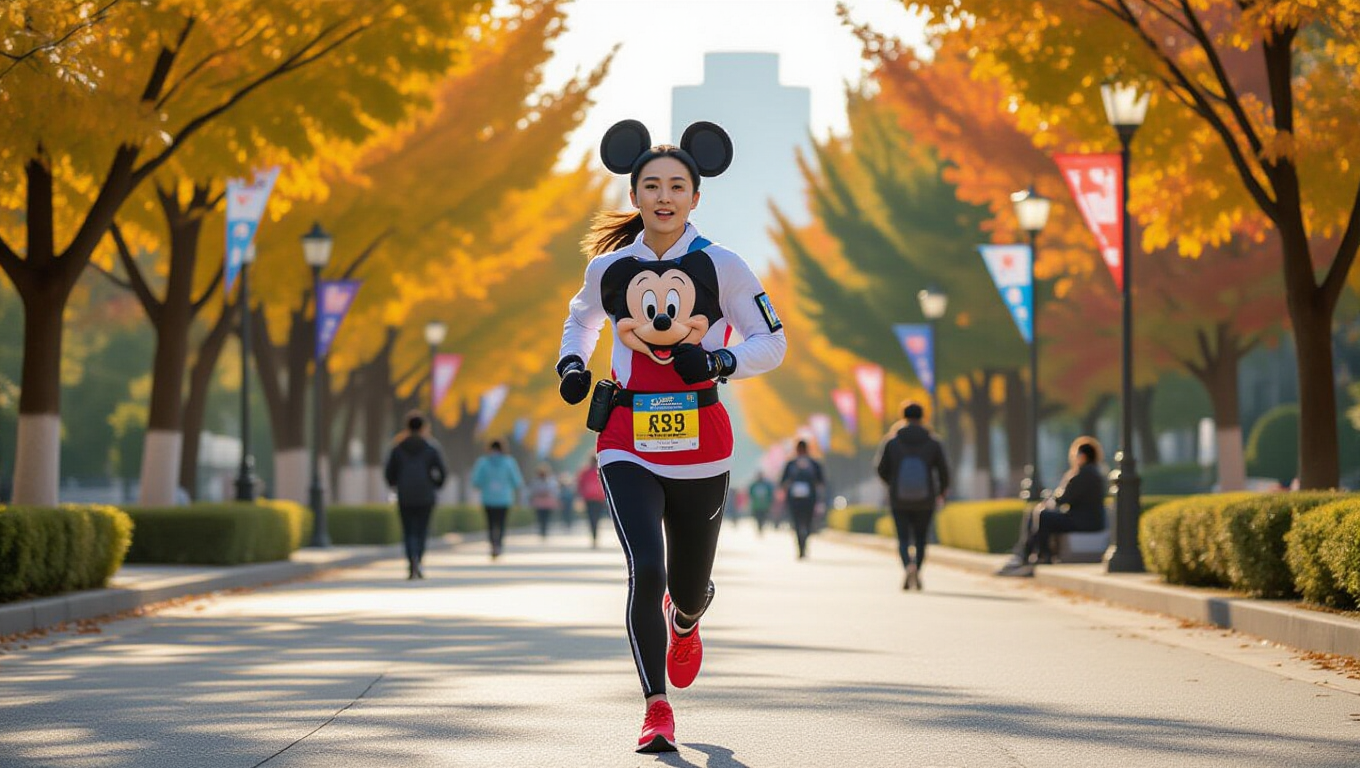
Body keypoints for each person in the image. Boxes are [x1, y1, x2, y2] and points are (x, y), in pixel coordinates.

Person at [556, 119, 786, 753]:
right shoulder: (609, 267)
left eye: (676, 186)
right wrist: (572, 365)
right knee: (646, 569)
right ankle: (656, 708)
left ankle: (686, 621)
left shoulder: (723, 265)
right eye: (651, 185)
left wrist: (719, 362)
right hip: (625, 435)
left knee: (685, 587)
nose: (663, 196)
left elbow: (773, 342)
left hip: (701, 440)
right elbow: (580, 324)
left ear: (695, 195)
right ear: (633, 196)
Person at [997, 436, 1108, 576]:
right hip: (1089, 520)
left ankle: (1037, 555)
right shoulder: (1095, 473)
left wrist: (1051, 497)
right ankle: (1027, 553)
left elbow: (1064, 499)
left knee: (1042, 515)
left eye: (1076, 455)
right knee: (1038, 513)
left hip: (1083, 521)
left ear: (1083, 456)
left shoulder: (1083, 474)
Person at [874, 401, 950, 590]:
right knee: (921, 537)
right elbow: (943, 471)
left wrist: (892, 485)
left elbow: (881, 469)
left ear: (903, 416)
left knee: (903, 538)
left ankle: (908, 565)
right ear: (922, 416)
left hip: (899, 498)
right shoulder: (933, 442)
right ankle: (918, 566)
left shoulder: (892, 441)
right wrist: (940, 492)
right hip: (925, 499)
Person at [383, 411, 448, 580]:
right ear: (424, 427)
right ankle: (418, 559)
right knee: (421, 529)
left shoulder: (398, 448)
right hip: (426, 495)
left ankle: (411, 559)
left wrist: (395, 485)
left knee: (408, 529)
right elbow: (442, 472)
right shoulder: (431, 447)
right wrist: (435, 485)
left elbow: (389, 472)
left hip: (405, 494)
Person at [470, 440, 524, 560]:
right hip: (504, 499)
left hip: (488, 498)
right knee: (501, 523)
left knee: (490, 523)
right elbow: (516, 481)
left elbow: (476, 481)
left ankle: (492, 545)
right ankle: (499, 544)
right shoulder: (509, 462)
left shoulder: (483, 462)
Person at [779, 440, 826, 559]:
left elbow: (821, 482)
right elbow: (783, 481)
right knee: (796, 523)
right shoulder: (791, 464)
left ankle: (804, 543)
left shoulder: (814, 464)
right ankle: (801, 546)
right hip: (794, 499)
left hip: (809, 499)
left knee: (807, 522)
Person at [576, 455, 607, 548]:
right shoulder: (601, 470)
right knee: (597, 518)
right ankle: (595, 535)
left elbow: (580, 484)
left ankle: (593, 536)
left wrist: (580, 496)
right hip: (599, 497)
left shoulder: (584, 472)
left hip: (588, 498)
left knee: (591, 518)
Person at [528, 465, 561, 540]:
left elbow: (555, 491)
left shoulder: (551, 481)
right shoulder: (535, 481)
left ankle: (544, 530)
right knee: (540, 518)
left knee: (546, 518)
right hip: (539, 503)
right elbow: (532, 491)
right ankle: (542, 530)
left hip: (547, 503)